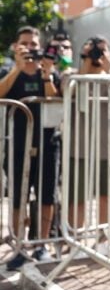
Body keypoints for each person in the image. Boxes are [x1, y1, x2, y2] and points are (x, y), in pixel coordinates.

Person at [1, 26, 61, 270]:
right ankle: (19, 245)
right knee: (18, 197)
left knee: (46, 194)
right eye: (25, 44)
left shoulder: (49, 70)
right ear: (17, 46)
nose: (31, 49)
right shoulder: (9, 71)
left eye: (34, 44)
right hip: (17, 143)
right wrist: (17, 67)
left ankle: (42, 245)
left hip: (47, 142)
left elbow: (54, 97)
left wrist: (46, 73)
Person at [62, 37, 110, 247]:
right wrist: (84, 65)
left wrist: (109, 70)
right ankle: (75, 239)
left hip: (106, 147)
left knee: (104, 195)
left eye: (101, 52)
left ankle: (102, 238)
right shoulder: (74, 75)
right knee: (78, 197)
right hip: (79, 146)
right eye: (92, 52)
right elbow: (67, 91)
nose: (96, 56)